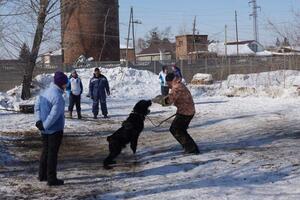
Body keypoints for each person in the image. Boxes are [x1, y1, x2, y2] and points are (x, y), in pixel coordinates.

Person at [34, 71, 68, 186]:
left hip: (43, 129)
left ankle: (42, 175)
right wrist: (45, 125)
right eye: (65, 83)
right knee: (52, 154)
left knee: (45, 151)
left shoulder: (44, 92)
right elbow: (54, 115)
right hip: (54, 130)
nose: (66, 85)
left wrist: (39, 121)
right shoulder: (58, 97)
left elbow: (36, 107)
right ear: (61, 83)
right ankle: (51, 179)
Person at [162, 72, 199, 154]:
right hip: (187, 111)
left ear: (170, 81)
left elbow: (169, 101)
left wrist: (160, 100)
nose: (167, 85)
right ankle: (191, 148)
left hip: (185, 112)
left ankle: (191, 149)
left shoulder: (176, 88)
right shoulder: (178, 84)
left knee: (175, 129)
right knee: (181, 130)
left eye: (167, 83)